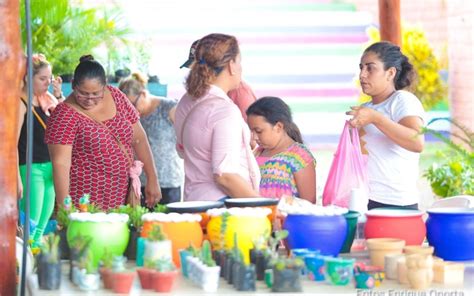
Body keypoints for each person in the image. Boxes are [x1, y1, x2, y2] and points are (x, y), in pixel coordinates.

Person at [45, 55, 161, 211]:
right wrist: (65, 208)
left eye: (96, 94)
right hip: (86, 202)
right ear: (73, 85)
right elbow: (61, 165)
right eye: (83, 93)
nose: (90, 99)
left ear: (105, 86)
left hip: (122, 197)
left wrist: (152, 178)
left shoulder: (116, 96)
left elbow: (139, 139)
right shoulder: (64, 115)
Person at [175, 33, 260, 201]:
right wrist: (266, 207)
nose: (241, 68)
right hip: (222, 206)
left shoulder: (186, 101)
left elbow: (182, 150)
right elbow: (225, 176)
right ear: (231, 65)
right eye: (239, 61)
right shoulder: (224, 111)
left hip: (195, 199)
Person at [346, 41, 425, 210]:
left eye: (370, 68)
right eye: (361, 68)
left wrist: (376, 118)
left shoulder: (402, 100)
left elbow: (417, 143)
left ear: (390, 73)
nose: (362, 75)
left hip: (398, 203)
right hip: (367, 200)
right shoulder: (366, 109)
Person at [17, 53, 63, 246]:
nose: (47, 83)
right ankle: (24, 263)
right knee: (30, 223)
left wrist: (58, 93)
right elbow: (11, 143)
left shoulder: (47, 99)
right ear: (28, 77)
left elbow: (65, 121)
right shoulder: (20, 102)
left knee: (42, 224)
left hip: (49, 167)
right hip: (30, 167)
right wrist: (17, 178)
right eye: (42, 79)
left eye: (49, 79)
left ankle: (33, 261)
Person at [119, 72, 183, 204]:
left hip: (168, 183)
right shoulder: (130, 117)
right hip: (139, 182)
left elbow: (184, 140)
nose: (130, 111)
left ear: (143, 94)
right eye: (125, 108)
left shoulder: (169, 107)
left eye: (133, 105)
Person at [246, 96, 317, 203]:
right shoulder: (256, 154)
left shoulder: (300, 157)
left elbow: (309, 203)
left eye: (259, 131)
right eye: (252, 131)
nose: (254, 137)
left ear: (278, 126)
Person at [180, 39, 257, 122]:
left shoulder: (239, 92)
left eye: (200, 69)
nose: (196, 73)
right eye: (194, 69)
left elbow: (253, 128)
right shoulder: (202, 90)